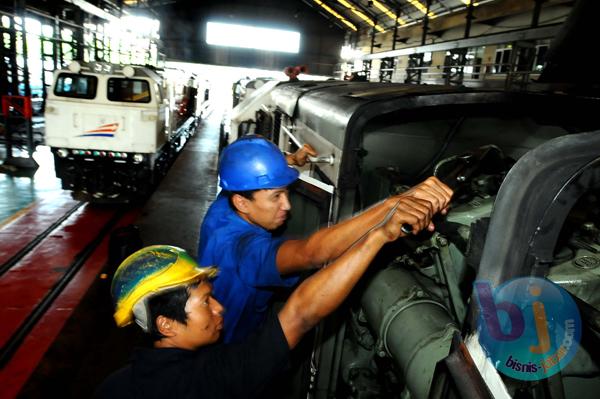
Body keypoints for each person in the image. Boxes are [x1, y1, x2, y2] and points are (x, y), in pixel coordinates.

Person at [95, 195, 440, 398]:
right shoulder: (212, 379)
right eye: (204, 302)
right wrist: (378, 236)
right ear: (166, 324)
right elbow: (301, 313)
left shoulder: (113, 386)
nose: (219, 307)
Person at [198, 135, 452, 343]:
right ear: (242, 201)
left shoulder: (226, 203)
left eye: (286, 192)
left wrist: (290, 161)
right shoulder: (244, 252)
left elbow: (247, 172)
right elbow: (311, 252)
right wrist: (388, 210)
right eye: (276, 197)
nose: (287, 205)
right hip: (235, 353)